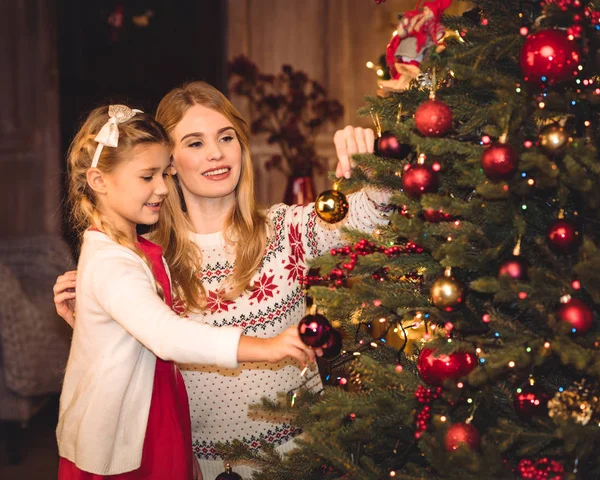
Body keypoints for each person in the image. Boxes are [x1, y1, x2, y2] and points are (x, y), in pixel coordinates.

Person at [54, 82, 387, 479]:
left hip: (301, 459)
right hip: (196, 465)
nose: (216, 153)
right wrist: (94, 323)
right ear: (168, 162)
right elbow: (153, 343)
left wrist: (374, 167)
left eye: (225, 137)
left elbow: (372, 221)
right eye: (194, 143)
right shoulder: (143, 259)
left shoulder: (286, 229)